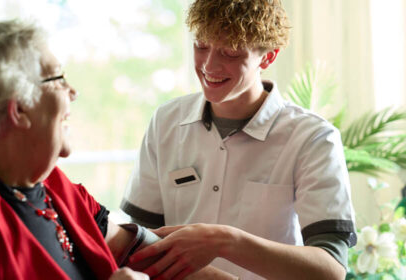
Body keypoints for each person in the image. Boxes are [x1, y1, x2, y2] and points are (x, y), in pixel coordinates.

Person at [0, 20, 238, 280]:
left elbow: (151, 255)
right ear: (19, 109)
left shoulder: (53, 187)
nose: (73, 92)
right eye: (58, 78)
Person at [121, 0, 357, 279]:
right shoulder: (166, 122)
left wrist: (224, 241)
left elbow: (330, 270)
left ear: (268, 57)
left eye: (230, 51)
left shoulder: (313, 138)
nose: (209, 65)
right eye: (201, 46)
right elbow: (140, 243)